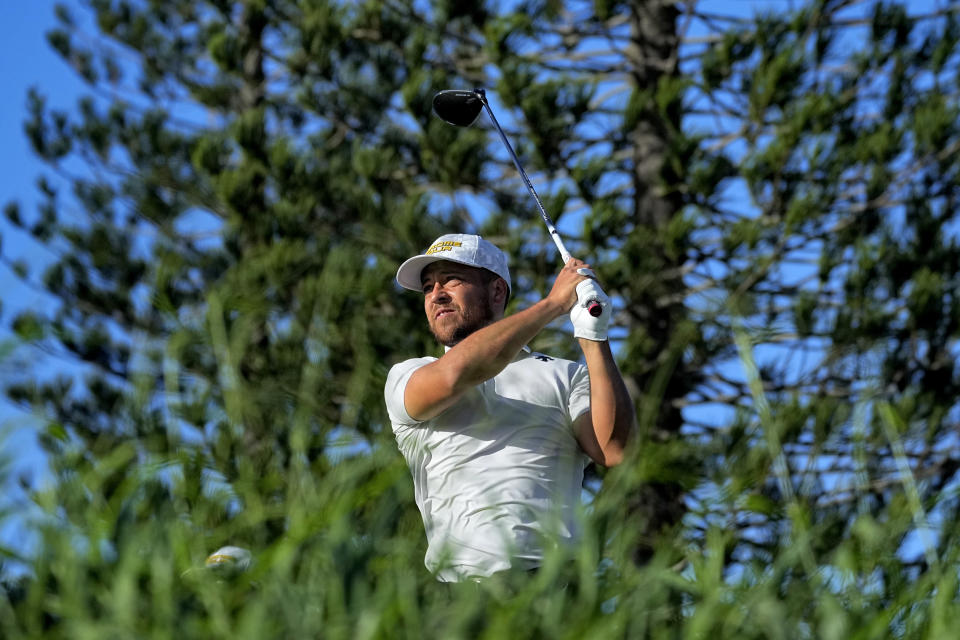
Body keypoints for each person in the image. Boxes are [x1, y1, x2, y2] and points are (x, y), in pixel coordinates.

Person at [384, 233, 634, 582]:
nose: (437, 294)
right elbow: (456, 375)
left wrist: (594, 336)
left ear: (497, 291)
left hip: (557, 588)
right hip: (460, 594)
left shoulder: (565, 375)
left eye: (452, 280)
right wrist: (552, 305)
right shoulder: (409, 375)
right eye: (428, 287)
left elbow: (614, 449)